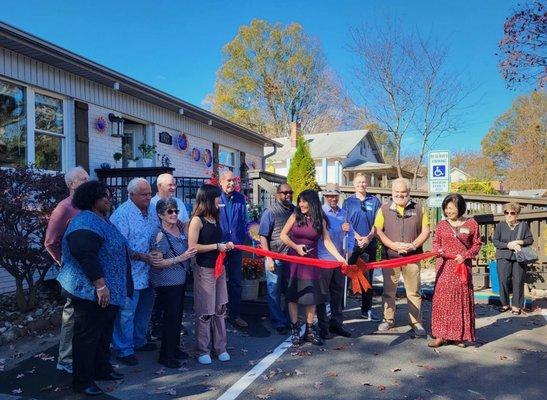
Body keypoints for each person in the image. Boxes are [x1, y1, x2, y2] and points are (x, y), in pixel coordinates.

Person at [57, 181, 132, 396]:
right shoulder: (85, 222)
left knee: (102, 334)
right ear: (91, 198)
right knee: (87, 337)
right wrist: (100, 285)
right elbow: (84, 254)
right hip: (90, 292)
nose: (108, 199)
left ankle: (101, 369)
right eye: (103, 196)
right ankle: (82, 381)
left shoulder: (102, 220)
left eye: (108, 195)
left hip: (106, 293)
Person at [280, 189, 347, 346]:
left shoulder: (321, 220)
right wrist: (296, 247)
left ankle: (309, 331)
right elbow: (283, 235)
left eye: (304, 201)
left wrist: (340, 258)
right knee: (293, 296)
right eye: (300, 201)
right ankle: (295, 330)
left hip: (311, 262)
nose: (301, 204)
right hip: (294, 261)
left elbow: (327, 241)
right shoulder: (295, 215)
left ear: (313, 202)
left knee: (312, 297)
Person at [44, 166, 89, 374]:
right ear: (71, 184)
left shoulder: (89, 205)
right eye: (83, 179)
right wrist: (64, 263)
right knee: (71, 315)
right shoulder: (64, 208)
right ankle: (65, 359)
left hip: (92, 268)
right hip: (74, 272)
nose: (88, 182)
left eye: (88, 178)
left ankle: (85, 354)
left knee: (88, 315)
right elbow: (51, 241)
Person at [110, 178, 157, 366]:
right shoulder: (122, 214)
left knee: (144, 310)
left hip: (150, 272)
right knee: (126, 313)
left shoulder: (152, 209)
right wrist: (142, 256)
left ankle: (139, 340)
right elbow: (119, 247)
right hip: (129, 273)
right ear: (131, 195)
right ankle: (124, 349)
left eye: (149, 193)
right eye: (144, 194)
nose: (149, 196)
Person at [375, 178, 430, 336]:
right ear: (392, 193)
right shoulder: (384, 209)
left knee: (413, 291)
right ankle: (388, 320)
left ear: (409, 193)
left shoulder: (420, 209)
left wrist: (413, 245)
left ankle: (416, 322)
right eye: (396, 192)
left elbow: (425, 231)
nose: (400, 195)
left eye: (403, 192)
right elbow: (378, 231)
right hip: (390, 257)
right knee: (388, 291)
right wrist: (393, 245)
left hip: (412, 257)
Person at [188, 184, 234, 364]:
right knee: (205, 311)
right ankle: (202, 350)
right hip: (204, 269)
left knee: (220, 308)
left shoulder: (216, 217)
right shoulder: (197, 220)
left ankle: (220, 347)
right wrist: (216, 246)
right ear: (208, 198)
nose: (219, 200)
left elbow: (217, 241)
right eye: (216, 197)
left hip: (219, 268)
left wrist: (225, 245)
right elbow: (192, 247)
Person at [149, 198, 197, 368]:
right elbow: (157, 263)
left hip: (180, 280)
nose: (174, 214)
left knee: (177, 318)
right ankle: (166, 356)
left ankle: (174, 349)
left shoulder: (180, 227)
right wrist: (180, 258)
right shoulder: (159, 234)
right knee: (170, 319)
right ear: (160, 214)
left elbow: (193, 221)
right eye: (170, 211)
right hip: (166, 283)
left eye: (176, 211)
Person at [429, 194, 482, 348]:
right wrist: (439, 251)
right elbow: (435, 243)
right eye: (446, 208)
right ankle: (440, 335)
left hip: (462, 267)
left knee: (460, 301)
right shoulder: (442, 225)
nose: (448, 211)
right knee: (442, 301)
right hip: (444, 267)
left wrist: (465, 255)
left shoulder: (471, 224)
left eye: (451, 208)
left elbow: (477, 244)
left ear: (460, 208)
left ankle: (459, 336)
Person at [150, 173, 190, 338]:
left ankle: (173, 333)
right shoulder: (152, 204)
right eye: (170, 185)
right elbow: (157, 260)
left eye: (174, 184)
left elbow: (185, 225)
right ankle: (158, 329)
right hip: (164, 263)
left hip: (179, 265)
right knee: (162, 303)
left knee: (176, 307)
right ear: (159, 186)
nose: (173, 187)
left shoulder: (178, 202)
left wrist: (187, 244)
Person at [342, 173, 382, 321]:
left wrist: (368, 238)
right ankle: (339, 309)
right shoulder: (348, 202)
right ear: (354, 184)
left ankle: (367, 310)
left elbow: (377, 223)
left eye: (364, 182)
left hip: (369, 244)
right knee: (345, 275)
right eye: (358, 182)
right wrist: (358, 237)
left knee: (368, 278)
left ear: (367, 183)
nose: (361, 185)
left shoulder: (375, 200)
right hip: (353, 244)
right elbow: (346, 222)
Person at [316, 183, 354, 340]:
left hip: (340, 261)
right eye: (329, 195)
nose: (333, 198)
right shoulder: (320, 213)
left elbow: (350, 235)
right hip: (324, 260)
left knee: (338, 293)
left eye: (335, 195)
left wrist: (349, 251)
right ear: (325, 196)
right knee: (323, 295)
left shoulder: (344, 214)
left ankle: (336, 323)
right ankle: (323, 326)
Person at [258, 183, 295, 335]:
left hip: (292, 258)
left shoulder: (295, 210)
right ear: (277, 194)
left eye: (290, 192)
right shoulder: (270, 212)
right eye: (284, 192)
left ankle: (288, 319)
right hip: (276, 257)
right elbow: (263, 236)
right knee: (274, 291)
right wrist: (269, 258)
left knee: (290, 291)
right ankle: (278, 322)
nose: (288, 195)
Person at [218, 171, 248, 328]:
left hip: (236, 246)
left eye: (234, 181)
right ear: (221, 182)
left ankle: (235, 315)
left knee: (236, 281)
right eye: (228, 180)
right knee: (218, 280)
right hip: (219, 247)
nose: (232, 183)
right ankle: (218, 314)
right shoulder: (215, 197)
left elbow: (245, 220)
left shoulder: (240, 198)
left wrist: (247, 236)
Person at [492, 202, 534, 315]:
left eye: (512, 213)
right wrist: (508, 245)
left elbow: (530, 240)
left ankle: (516, 306)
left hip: (518, 257)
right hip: (503, 256)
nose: (509, 215)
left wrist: (518, 242)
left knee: (518, 281)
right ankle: (505, 304)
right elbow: (495, 241)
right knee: (503, 280)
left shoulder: (523, 226)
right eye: (506, 212)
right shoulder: (500, 226)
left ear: (517, 214)